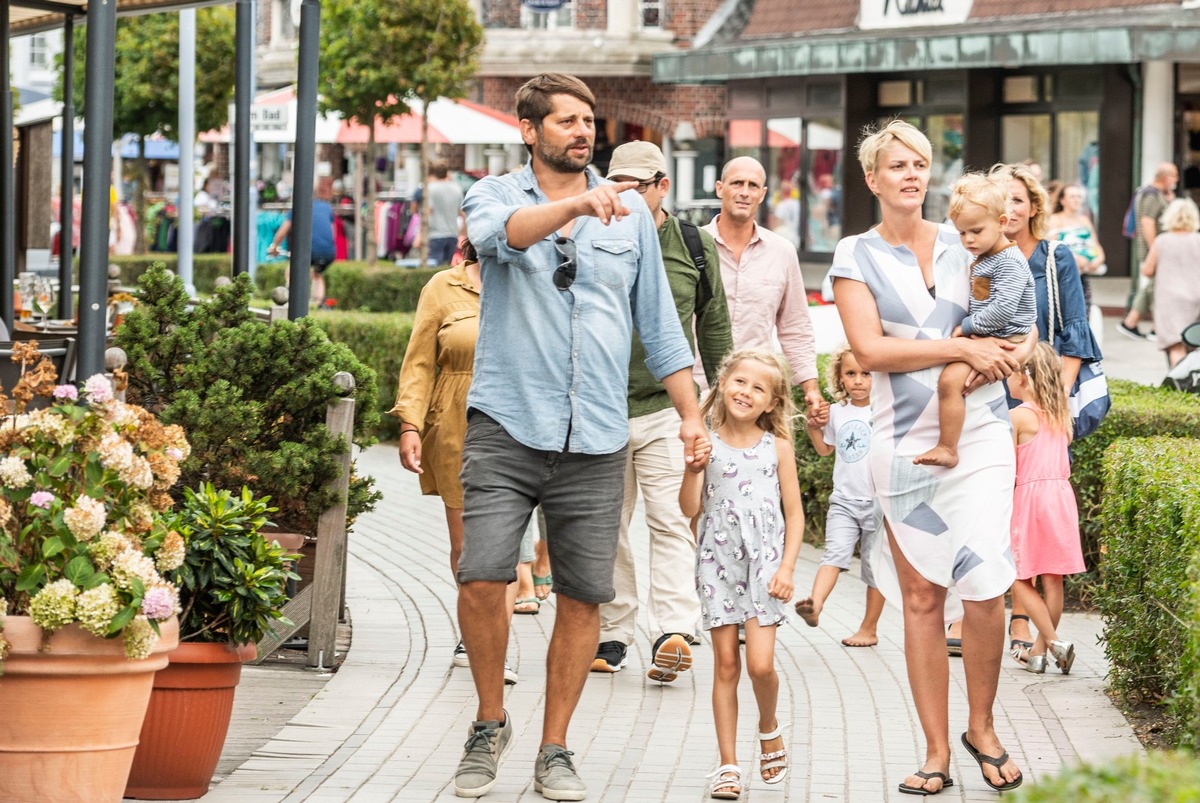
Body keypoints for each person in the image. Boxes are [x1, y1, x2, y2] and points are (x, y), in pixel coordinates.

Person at [453, 73, 706, 801]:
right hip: (506, 422)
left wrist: (691, 414)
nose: (581, 131)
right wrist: (573, 205)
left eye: (588, 120)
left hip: (599, 434)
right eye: (565, 120)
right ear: (529, 130)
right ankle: (488, 719)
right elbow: (499, 238)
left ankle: (555, 746)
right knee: (481, 575)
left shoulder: (630, 218)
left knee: (585, 597)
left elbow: (660, 328)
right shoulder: (494, 193)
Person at [831, 120, 1034, 795]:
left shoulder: (965, 239)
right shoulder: (852, 255)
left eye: (921, 163)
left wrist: (1010, 354)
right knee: (919, 596)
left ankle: (982, 724)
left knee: (984, 581)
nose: (912, 174)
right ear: (873, 178)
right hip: (902, 447)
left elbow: (1024, 321)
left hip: (976, 436)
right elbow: (869, 351)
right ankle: (937, 748)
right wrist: (960, 349)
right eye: (898, 164)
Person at [591, 140, 733, 680]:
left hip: (667, 409)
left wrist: (721, 406)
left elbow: (714, 325)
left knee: (673, 520)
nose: (626, 194)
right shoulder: (592, 233)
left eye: (638, 185)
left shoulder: (693, 245)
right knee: (607, 527)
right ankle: (612, 632)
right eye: (616, 184)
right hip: (600, 408)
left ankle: (673, 629)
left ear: (663, 186)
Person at [392, 238, 530, 680]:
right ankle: (475, 627)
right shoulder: (442, 286)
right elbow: (419, 363)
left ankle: (494, 643)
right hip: (454, 425)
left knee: (504, 547)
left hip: (519, 424)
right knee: (466, 548)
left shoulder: (531, 278)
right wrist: (410, 424)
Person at [987, 162, 1102, 656]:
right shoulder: (981, 258)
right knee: (997, 512)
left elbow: (1075, 334)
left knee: (1035, 527)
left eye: (1017, 199)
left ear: (1034, 206)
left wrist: (1051, 399)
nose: (1008, 210)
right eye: (999, 201)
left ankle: (1029, 629)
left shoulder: (1057, 258)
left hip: (1042, 398)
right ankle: (1004, 621)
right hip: (993, 394)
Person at [679, 350, 802, 800]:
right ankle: (728, 765)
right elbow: (689, 510)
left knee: (760, 665)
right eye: (740, 382)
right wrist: (693, 471)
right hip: (717, 564)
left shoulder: (778, 448)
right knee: (726, 665)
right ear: (724, 382)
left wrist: (787, 567)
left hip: (766, 566)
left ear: (771, 402)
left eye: (758, 388)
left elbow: (795, 513)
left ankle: (768, 725)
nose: (746, 392)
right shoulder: (705, 443)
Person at [915, 172, 1035, 469]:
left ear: (1002, 223)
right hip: (993, 333)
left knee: (950, 381)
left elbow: (1003, 309)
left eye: (976, 231)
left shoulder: (1008, 261)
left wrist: (966, 328)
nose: (968, 240)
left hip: (1005, 336)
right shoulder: (987, 255)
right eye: (962, 233)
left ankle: (947, 447)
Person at [702, 156, 825, 420]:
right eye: (737, 183)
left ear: (763, 194)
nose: (745, 192)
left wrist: (811, 387)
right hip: (698, 394)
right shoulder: (693, 246)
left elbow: (795, 326)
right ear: (720, 188)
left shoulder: (782, 252)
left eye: (753, 185)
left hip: (755, 397)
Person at [795, 345, 885, 648]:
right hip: (844, 501)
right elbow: (824, 449)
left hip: (879, 503)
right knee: (834, 554)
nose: (859, 380)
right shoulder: (836, 412)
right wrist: (813, 428)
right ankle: (815, 604)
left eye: (866, 374)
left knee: (875, 569)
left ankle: (868, 629)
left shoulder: (886, 409)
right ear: (840, 378)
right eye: (851, 374)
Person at [1007, 342, 1081, 676]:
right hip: (1061, 500)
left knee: (1017, 576)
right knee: (1054, 582)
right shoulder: (1061, 415)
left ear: (1023, 377)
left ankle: (1053, 643)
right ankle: (1037, 655)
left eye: (1011, 371)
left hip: (1031, 501)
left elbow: (1006, 469)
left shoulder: (1019, 417)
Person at [1120, 162, 1178, 340]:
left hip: (1160, 249)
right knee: (1156, 287)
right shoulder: (1151, 195)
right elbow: (1147, 223)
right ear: (1166, 177)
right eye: (1175, 176)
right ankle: (1142, 324)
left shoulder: (1159, 195)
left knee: (1153, 287)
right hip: (1155, 250)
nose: (1177, 180)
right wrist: (1156, 249)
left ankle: (1133, 323)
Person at [1141, 198, 1200, 367]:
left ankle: (1180, 388)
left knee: (1176, 346)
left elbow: (1148, 270)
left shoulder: (1162, 240)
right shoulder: (1198, 239)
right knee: (1194, 343)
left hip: (1170, 299)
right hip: (1196, 296)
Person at [267, 181, 337, 308]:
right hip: (329, 251)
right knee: (318, 274)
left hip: (309, 249)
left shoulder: (298, 207)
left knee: (291, 271)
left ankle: (289, 300)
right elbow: (333, 232)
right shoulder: (327, 207)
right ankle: (318, 304)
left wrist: (274, 246)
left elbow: (283, 231)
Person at [1048, 182, 1107, 306]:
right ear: (1063, 200)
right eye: (1072, 197)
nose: (1076, 200)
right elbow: (1049, 246)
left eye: (1079, 196)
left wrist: (1099, 259)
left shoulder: (1084, 220)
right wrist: (1074, 258)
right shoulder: (1055, 220)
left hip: (1083, 274)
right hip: (1061, 275)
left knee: (1083, 308)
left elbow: (1095, 243)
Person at [426, 163, 465, 266]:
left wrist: (420, 233)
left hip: (435, 234)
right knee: (447, 268)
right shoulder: (456, 188)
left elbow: (428, 211)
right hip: (452, 233)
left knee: (433, 267)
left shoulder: (430, 188)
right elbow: (462, 212)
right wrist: (463, 231)